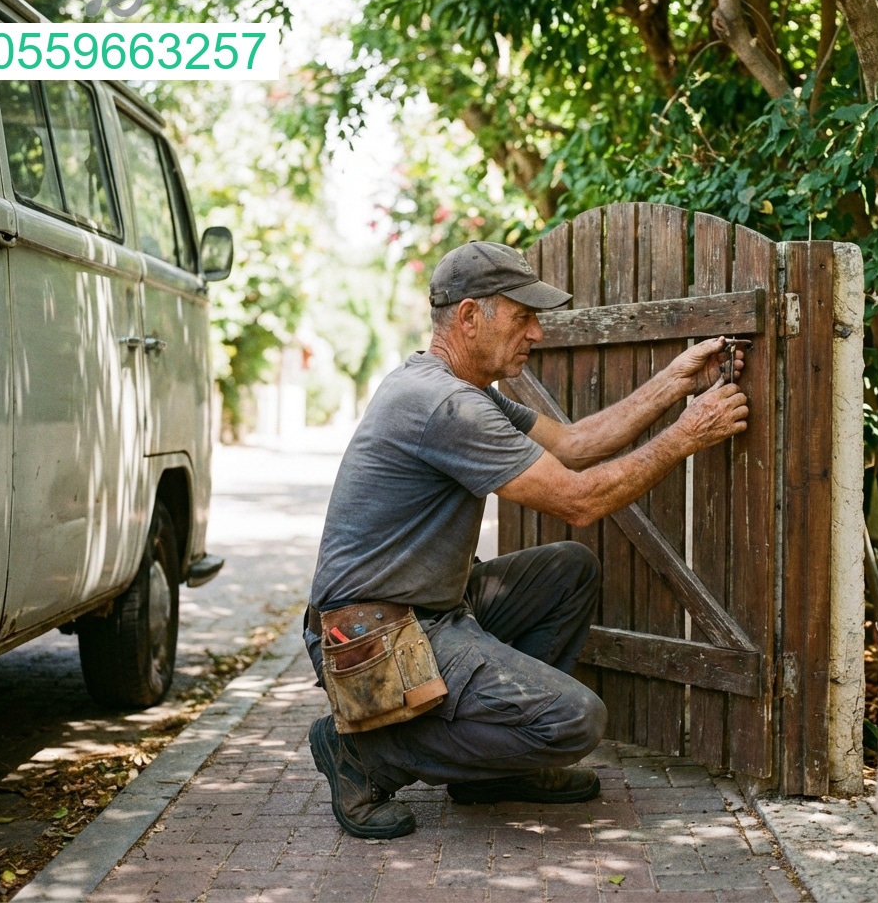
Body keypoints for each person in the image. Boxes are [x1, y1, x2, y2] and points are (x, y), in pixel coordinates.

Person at [304, 240, 747, 839]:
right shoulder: (443, 406)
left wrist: (674, 383)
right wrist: (687, 436)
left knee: (568, 571)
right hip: (373, 635)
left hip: (431, 609)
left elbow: (574, 444)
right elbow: (580, 499)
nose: (536, 332)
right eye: (522, 316)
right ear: (468, 317)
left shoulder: (463, 392)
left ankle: (491, 772)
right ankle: (364, 755)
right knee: (575, 723)